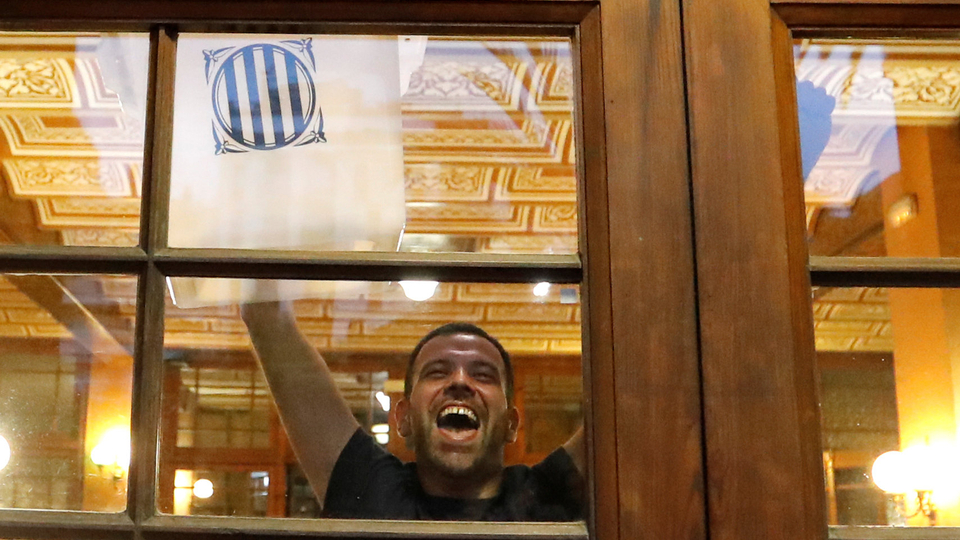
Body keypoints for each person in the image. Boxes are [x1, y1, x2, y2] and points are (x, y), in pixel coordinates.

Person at [241, 299, 584, 521]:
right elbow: (267, 318)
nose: (460, 381)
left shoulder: (544, 496)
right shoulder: (375, 493)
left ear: (511, 424)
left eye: (483, 375)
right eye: (437, 372)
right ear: (402, 418)